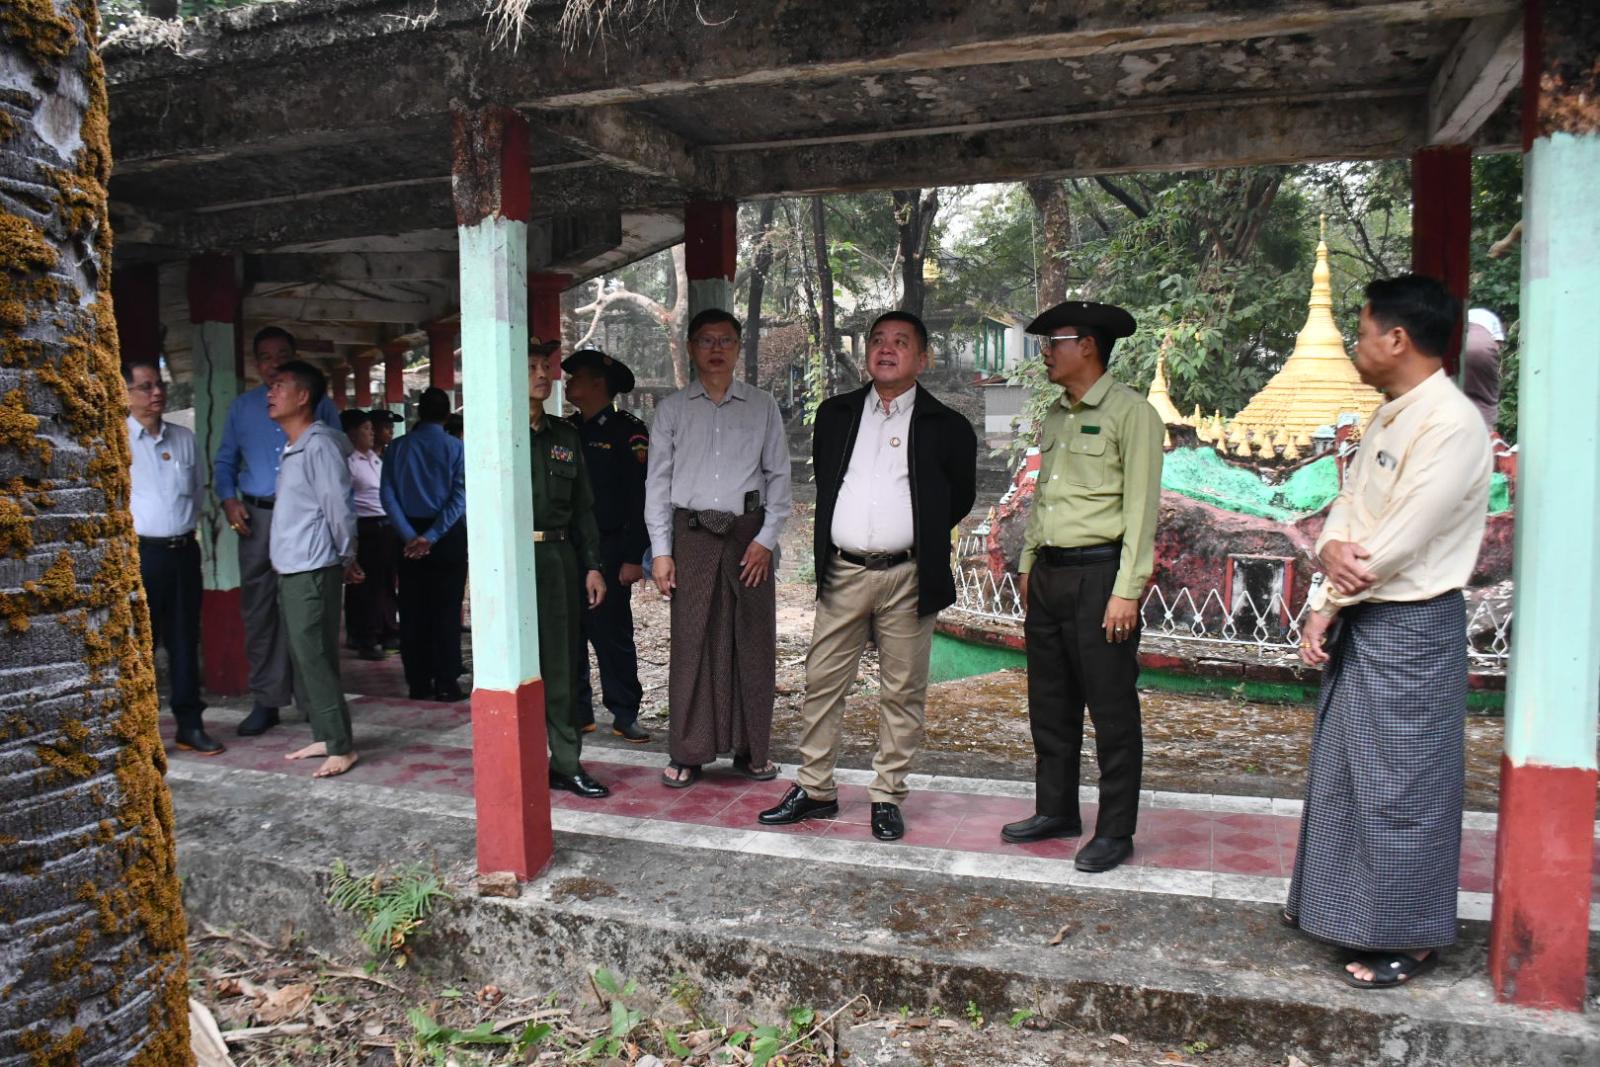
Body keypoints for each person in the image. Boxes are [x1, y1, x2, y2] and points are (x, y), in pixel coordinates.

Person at [1288, 275, 1492, 989]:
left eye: (1363, 331)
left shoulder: (1451, 424)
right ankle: (1341, 910)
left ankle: (1409, 934)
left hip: (1410, 622)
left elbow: (1398, 538)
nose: (1356, 345)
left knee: (1404, 785)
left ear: (1398, 339)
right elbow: (1350, 508)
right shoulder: (1391, 414)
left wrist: (1329, 595)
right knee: (1348, 773)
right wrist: (1326, 563)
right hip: (1364, 610)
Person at [758, 312, 976, 840]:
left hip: (908, 575)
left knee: (902, 690)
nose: (886, 349)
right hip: (844, 571)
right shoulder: (836, 414)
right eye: (878, 340)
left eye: (900, 342)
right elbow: (830, 481)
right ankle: (815, 788)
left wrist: (909, 534)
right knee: (822, 682)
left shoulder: (946, 425)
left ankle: (887, 794)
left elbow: (959, 498)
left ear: (922, 358)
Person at [1002, 301, 1163, 874]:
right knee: (1049, 702)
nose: (1045, 353)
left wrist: (1128, 590)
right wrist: (1028, 561)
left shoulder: (1132, 414)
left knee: (1111, 707)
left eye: (1055, 343)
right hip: (1048, 574)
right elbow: (1044, 498)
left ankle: (1115, 829)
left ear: (1087, 346)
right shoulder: (1056, 415)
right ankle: (1056, 810)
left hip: (1101, 577)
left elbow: (1141, 509)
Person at [646, 309, 793, 789]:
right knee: (692, 643)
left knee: (752, 642)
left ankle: (752, 750)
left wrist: (766, 540)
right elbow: (657, 484)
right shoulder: (672, 410)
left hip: (748, 539)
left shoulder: (762, 406)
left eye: (725, 340)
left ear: (737, 348)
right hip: (690, 536)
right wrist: (662, 551)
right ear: (691, 347)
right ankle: (689, 752)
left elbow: (779, 477)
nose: (716, 349)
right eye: (706, 340)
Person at [213, 327, 341, 737]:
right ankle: (267, 700)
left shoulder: (319, 405)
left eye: (282, 354)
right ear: (256, 364)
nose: (274, 364)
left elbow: (337, 460)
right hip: (258, 518)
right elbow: (225, 462)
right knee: (259, 610)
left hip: (305, 519)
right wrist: (229, 500)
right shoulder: (242, 408)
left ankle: (313, 701)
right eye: (265, 357)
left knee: (306, 612)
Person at [268, 360, 364, 778]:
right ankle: (326, 734)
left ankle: (342, 746)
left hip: (313, 566)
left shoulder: (319, 445)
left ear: (303, 396)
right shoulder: (296, 446)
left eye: (280, 386)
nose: (270, 393)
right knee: (306, 656)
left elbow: (338, 507)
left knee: (316, 656)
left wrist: (347, 555)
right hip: (294, 566)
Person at [124, 361, 223, 755]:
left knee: (184, 640)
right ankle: (138, 732)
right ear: (125, 394)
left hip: (182, 551)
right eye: (145, 386)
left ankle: (189, 725)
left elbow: (197, 492)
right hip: (139, 555)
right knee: (138, 644)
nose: (157, 393)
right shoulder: (116, 441)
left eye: (159, 384)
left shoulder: (183, 438)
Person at [527, 343, 611, 798]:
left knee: (561, 662)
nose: (544, 374)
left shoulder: (565, 435)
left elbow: (583, 510)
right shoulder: (494, 432)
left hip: (557, 557)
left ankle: (564, 761)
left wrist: (592, 566)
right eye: (532, 367)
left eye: (546, 366)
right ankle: (519, 760)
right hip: (511, 562)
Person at [562, 348, 652, 743]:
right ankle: (579, 711)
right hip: (569, 548)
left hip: (611, 548)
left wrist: (634, 557)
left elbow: (640, 498)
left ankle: (624, 711)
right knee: (571, 630)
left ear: (599, 384)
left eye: (576, 377)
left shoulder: (627, 432)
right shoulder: (565, 431)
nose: (568, 383)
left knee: (612, 633)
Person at [380, 388, 468, 702]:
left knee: (412, 610)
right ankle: (446, 682)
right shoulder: (455, 448)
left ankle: (417, 682)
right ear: (446, 415)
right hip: (446, 536)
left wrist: (409, 535)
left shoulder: (398, 447)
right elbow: (459, 496)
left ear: (419, 412)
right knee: (446, 610)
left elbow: (387, 494)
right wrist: (432, 536)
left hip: (407, 535)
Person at [340, 409, 394, 661]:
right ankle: (365, 638)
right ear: (351, 433)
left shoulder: (375, 459)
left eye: (372, 428)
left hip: (384, 524)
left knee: (382, 582)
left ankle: (381, 630)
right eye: (366, 429)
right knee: (364, 586)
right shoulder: (347, 462)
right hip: (363, 526)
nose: (372, 433)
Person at [1461, 307, 1504, 432]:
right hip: (1479, 347)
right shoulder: (1494, 322)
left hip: (1453, 344)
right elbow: (1498, 346)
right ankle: (1488, 433)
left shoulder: (1467, 315)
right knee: (1485, 397)